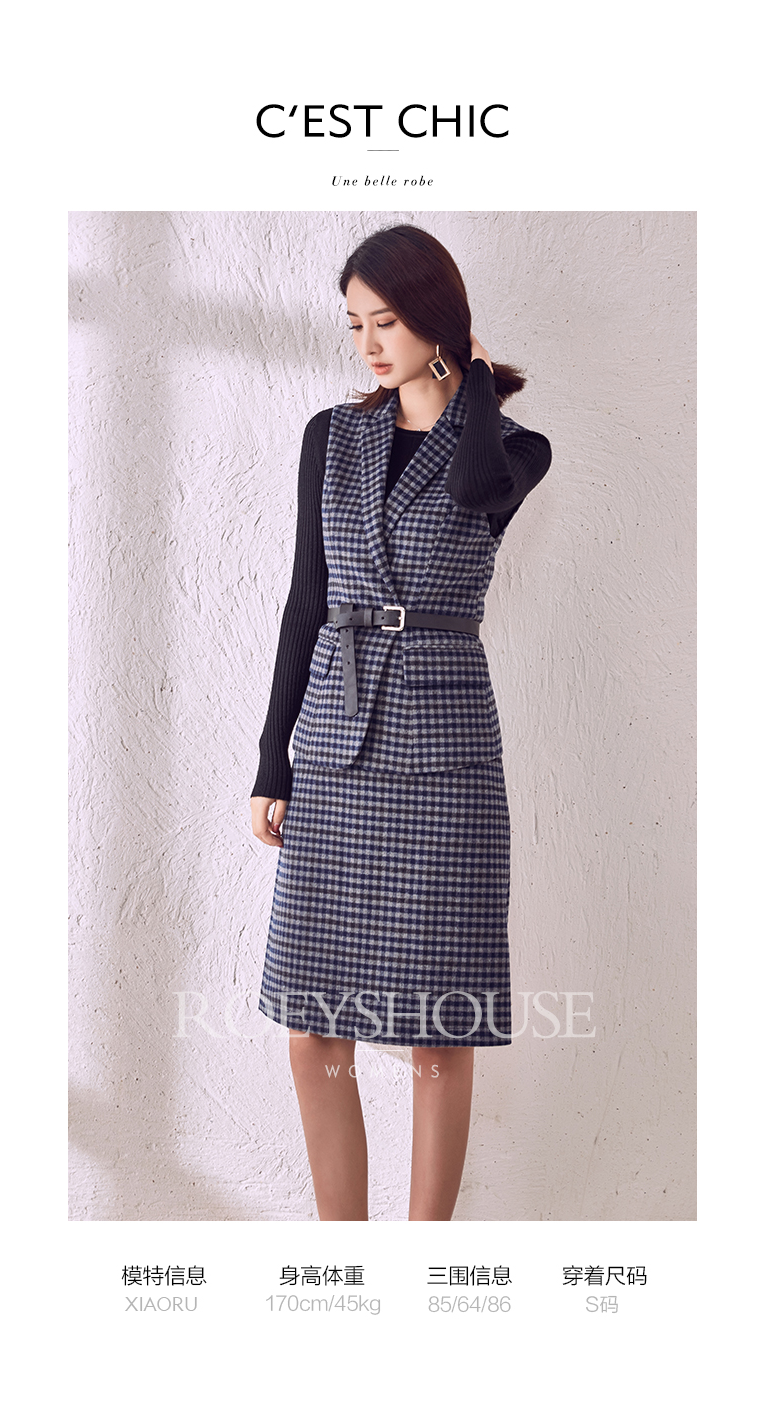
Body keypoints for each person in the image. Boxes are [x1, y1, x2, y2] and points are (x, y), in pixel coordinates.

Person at [250, 225, 552, 1221]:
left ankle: (424, 1264)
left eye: (387, 321)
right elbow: (306, 601)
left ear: (436, 318)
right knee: (311, 1025)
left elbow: (472, 492)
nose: (369, 344)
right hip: (335, 745)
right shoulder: (329, 437)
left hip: (444, 751)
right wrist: (273, 760)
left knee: (439, 1028)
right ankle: (345, 1248)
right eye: (355, 325)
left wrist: (469, 386)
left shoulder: (514, 448)